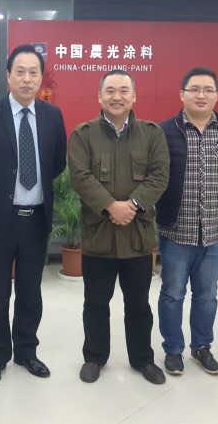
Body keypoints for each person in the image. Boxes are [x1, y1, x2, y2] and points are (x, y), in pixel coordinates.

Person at [0, 44, 67, 386]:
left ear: (41, 77)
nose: (26, 79)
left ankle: (26, 351)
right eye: (19, 72)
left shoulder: (52, 116)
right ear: (8, 76)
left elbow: (57, 162)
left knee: (30, 291)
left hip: (35, 218)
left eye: (33, 72)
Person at [68, 69, 169, 384]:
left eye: (124, 90)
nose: (117, 96)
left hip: (137, 237)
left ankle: (142, 359)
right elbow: (80, 177)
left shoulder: (152, 134)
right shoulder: (83, 135)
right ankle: (94, 357)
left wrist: (133, 205)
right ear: (99, 97)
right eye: (110, 90)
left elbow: (159, 176)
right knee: (96, 303)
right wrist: (111, 206)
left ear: (134, 96)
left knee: (138, 304)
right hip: (98, 236)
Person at [156, 67, 218, 376]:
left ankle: (202, 347)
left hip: (215, 233)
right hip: (176, 231)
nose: (201, 95)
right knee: (173, 294)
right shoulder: (164, 131)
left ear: (217, 95)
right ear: (182, 94)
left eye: (208, 89)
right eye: (194, 89)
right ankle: (173, 349)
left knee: (207, 295)